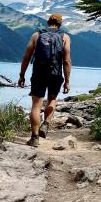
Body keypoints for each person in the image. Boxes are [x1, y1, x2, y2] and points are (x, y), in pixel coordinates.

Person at [18, 13, 71, 147]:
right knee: (52, 99)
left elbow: (26, 57)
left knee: (36, 106)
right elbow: (66, 61)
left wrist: (22, 75)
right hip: (55, 73)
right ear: (60, 23)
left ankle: (34, 138)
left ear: (48, 22)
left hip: (38, 73)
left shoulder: (36, 35)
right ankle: (46, 123)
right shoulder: (64, 37)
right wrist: (67, 81)